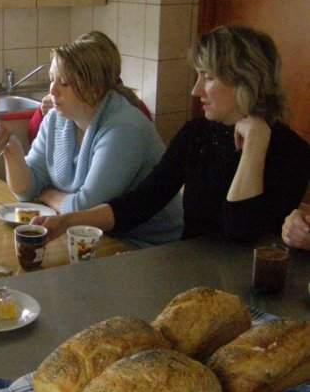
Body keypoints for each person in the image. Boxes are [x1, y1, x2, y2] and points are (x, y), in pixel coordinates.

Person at [34, 25, 310, 245]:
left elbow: (240, 234)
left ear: (246, 81)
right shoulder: (196, 135)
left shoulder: (291, 152)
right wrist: (67, 222)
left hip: (254, 287)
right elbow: (141, 202)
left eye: (208, 77)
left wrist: (254, 147)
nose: (195, 90)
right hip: (191, 273)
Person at [0, 31, 183, 247]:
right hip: (91, 237)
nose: (52, 90)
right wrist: (11, 150)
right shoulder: (56, 119)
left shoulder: (124, 128)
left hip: (145, 245)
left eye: (64, 83)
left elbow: (84, 210)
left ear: (94, 90)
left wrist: (47, 194)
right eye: (52, 80)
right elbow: (26, 191)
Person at [26, 31, 152, 143]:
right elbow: (36, 142)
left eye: (64, 82)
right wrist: (43, 113)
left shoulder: (128, 116)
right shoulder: (69, 106)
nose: (53, 90)